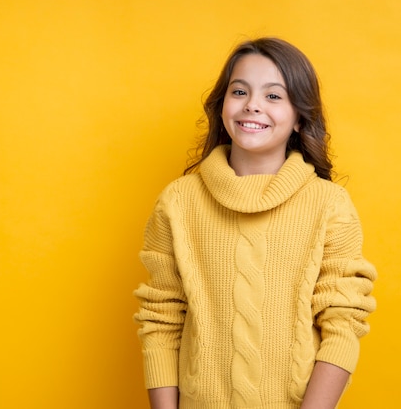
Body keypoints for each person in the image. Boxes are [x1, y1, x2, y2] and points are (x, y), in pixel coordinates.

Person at [134, 37, 377, 409]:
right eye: (240, 91)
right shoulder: (178, 202)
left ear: (300, 118)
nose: (252, 105)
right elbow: (162, 321)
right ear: (222, 105)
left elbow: (343, 324)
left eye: (274, 96)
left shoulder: (329, 205)